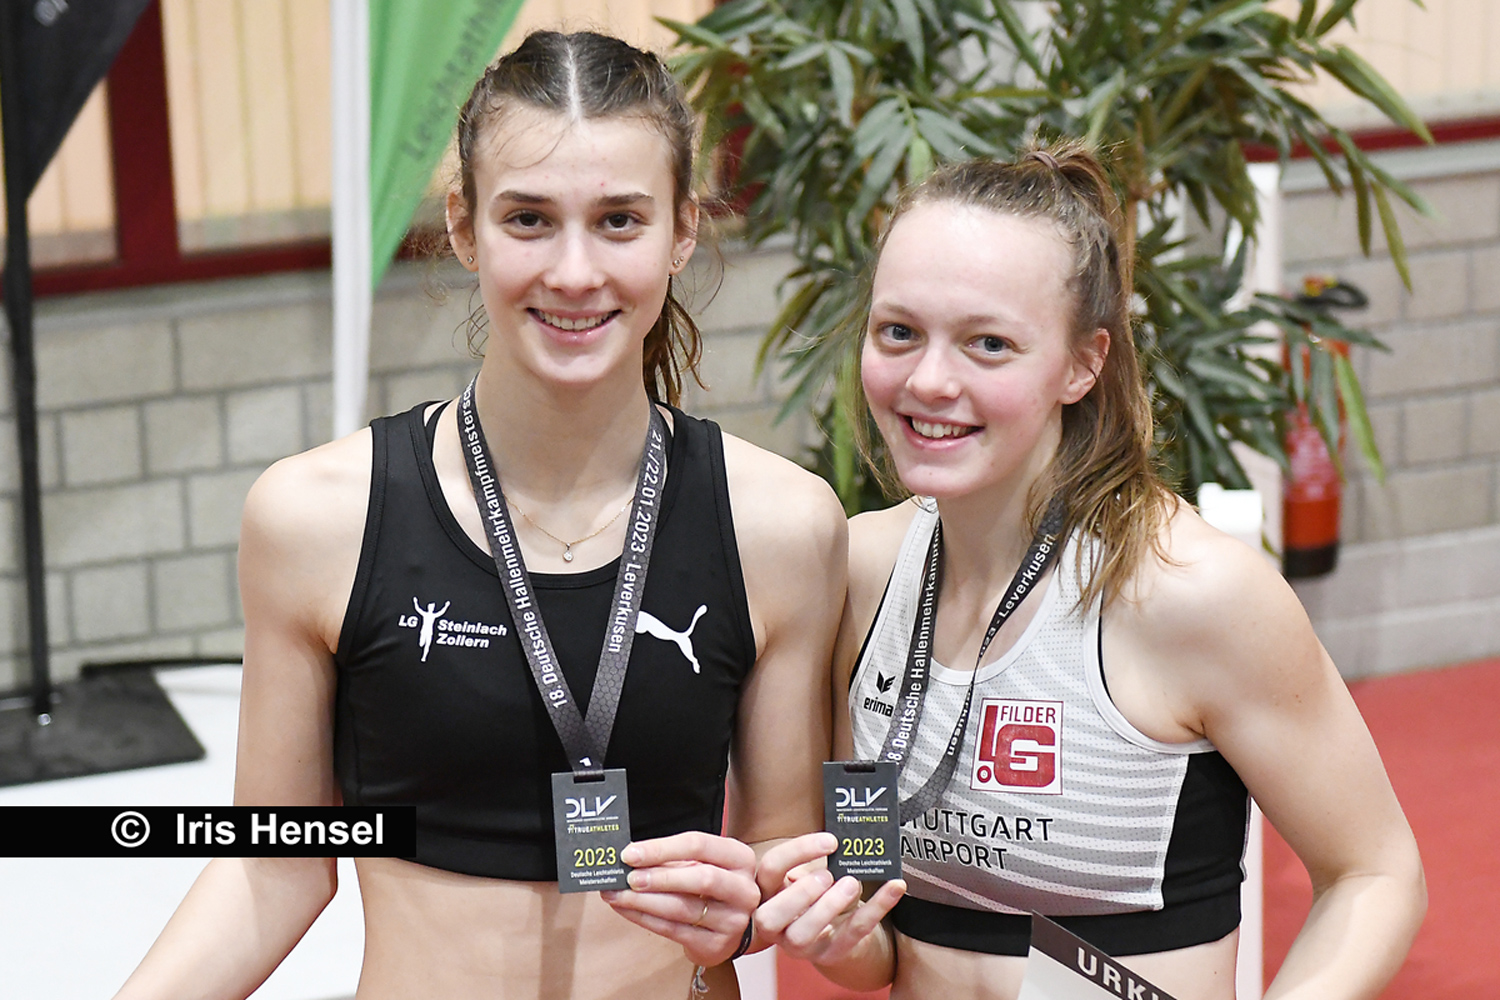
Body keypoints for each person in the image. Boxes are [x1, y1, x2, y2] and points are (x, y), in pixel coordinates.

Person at [113, 31, 845, 1000]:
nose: (575, 272)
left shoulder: (779, 525)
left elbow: (781, 859)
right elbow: (271, 867)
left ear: (682, 230)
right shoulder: (318, 519)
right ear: (463, 226)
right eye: (529, 219)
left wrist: (749, 909)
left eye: (620, 221)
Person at [751, 144, 1425, 999]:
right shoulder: (860, 576)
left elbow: (1376, 874)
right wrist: (837, 934)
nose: (929, 380)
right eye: (899, 333)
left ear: (1082, 363)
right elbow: (883, 950)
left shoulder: (1186, 593)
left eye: (988, 344)